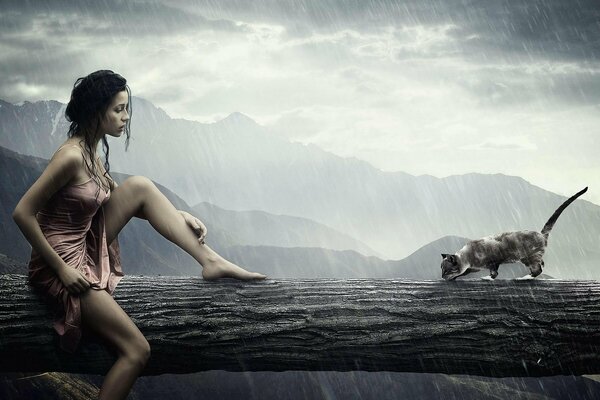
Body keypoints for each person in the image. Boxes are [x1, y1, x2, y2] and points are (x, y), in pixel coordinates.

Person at [12, 70, 266, 399]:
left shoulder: (92, 152)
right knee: (137, 351)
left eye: (126, 108)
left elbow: (128, 200)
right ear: (96, 110)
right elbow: (22, 213)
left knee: (140, 185)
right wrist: (62, 269)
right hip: (60, 263)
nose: (126, 117)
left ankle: (211, 260)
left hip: (85, 241)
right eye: (119, 109)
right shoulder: (71, 157)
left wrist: (179, 215)